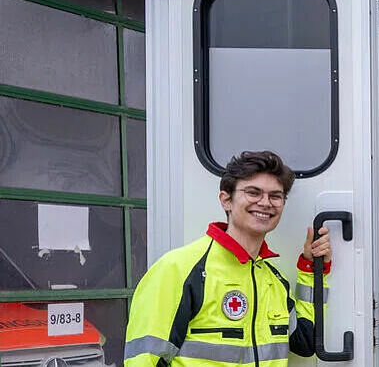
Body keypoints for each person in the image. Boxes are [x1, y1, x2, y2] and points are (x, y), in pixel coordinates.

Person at [124, 151, 332, 366]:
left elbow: (305, 341)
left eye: (275, 196)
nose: (265, 202)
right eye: (253, 193)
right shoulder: (178, 268)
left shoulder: (274, 281)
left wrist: (312, 269)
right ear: (226, 200)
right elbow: (145, 361)